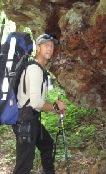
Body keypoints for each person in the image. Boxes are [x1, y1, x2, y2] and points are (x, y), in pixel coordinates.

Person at [12, 34, 67, 174]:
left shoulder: (39, 68)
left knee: (47, 144)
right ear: (38, 48)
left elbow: (36, 102)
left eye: (52, 45)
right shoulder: (34, 69)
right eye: (46, 45)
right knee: (23, 166)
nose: (50, 48)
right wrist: (55, 106)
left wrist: (53, 108)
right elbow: (36, 102)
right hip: (25, 121)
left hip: (31, 119)